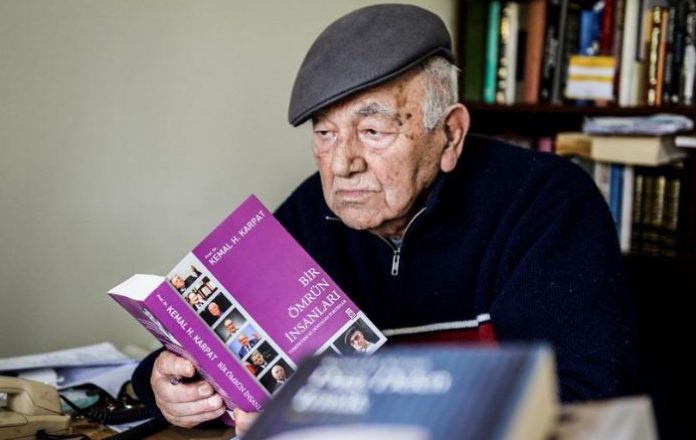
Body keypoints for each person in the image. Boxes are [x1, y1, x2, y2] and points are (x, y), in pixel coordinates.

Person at [132, 4, 636, 435]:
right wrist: (168, 386)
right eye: (325, 133)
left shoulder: (545, 201)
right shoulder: (310, 212)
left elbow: (575, 402)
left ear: (450, 134)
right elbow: (218, 349)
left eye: (372, 130)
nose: (341, 164)